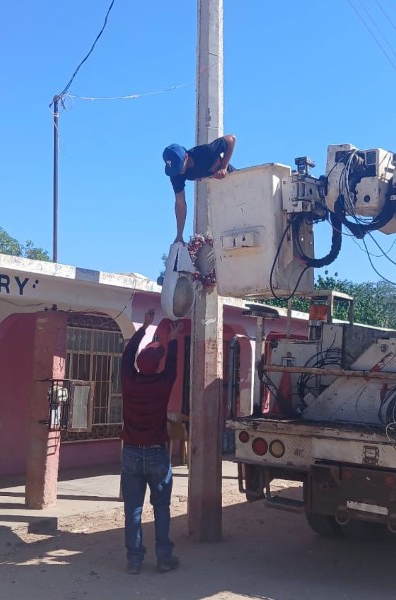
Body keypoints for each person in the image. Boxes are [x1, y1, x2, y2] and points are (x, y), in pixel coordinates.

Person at [120, 308, 183, 574]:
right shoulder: (163, 384)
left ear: (137, 365)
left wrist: (144, 327)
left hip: (131, 453)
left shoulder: (128, 381)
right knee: (161, 508)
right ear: (157, 364)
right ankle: (164, 558)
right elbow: (172, 365)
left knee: (133, 511)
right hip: (157, 454)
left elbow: (126, 356)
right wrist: (174, 339)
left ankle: (134, 561)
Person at [162, 134, 237, 243]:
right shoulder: (176, 175)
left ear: (186, 157)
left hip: (232, 180)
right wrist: (179, 235)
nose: (178, 172)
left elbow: (231, 139)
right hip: (218, 193)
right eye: (174, 169)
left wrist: (224, 167)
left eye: (179, 167)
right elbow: (180, 203)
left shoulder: (205, 152)